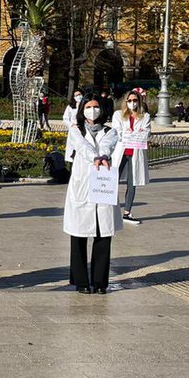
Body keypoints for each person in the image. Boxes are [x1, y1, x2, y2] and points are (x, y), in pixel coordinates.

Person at [64, 93, 121, 294]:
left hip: (103, 184)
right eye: (88, 106)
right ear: (82, 110)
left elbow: (108, 145)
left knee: (103, 234)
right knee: (79, 234)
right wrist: (95, 157)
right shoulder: (75, 130)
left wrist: (103, 155)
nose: (92, 110)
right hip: (82, 184)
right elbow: (81, 146)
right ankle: (80, 281)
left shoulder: (110, 131)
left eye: (96, 106)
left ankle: (99, 282)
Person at [110, 89, 151, 225]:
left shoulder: (145, 117)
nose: (132, 103)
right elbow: (118, 133)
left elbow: (146, 134)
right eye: (130, 100)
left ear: (139, 102)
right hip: (121, 153)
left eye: (135, 100)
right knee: (112, 182)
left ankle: (127, 212)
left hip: (135, 154)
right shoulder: (118, 115)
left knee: (132, 184)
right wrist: (135, 134)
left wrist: (131, 134)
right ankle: (109, 210)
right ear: (125, 102)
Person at [62, 88, 83, 161]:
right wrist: (72, 125)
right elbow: (65, 118)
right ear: (74, 97)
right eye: (76, 95)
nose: (78, 96)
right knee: (73, 147)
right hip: (74, 129)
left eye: (80, 94)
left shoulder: (86, 105)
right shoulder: (70, 106)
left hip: (84, 129)